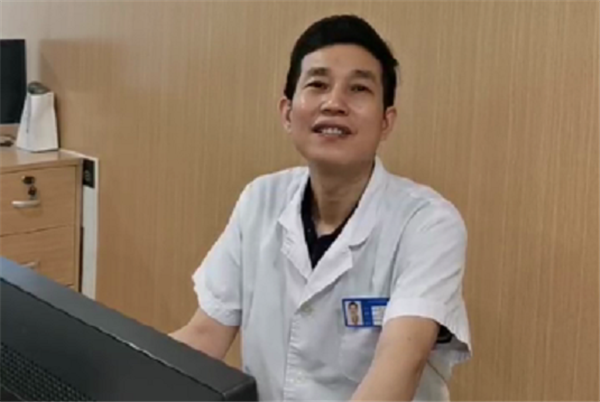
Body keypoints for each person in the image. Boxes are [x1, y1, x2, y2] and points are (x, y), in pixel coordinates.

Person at [171, 14, 471, 401]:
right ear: (287, 112)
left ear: (386, 122)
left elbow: (401, 364)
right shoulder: (260, 200)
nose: (334, 103)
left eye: (358, 88)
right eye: (317, 84)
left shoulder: (428, 224)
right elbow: (204, 335)